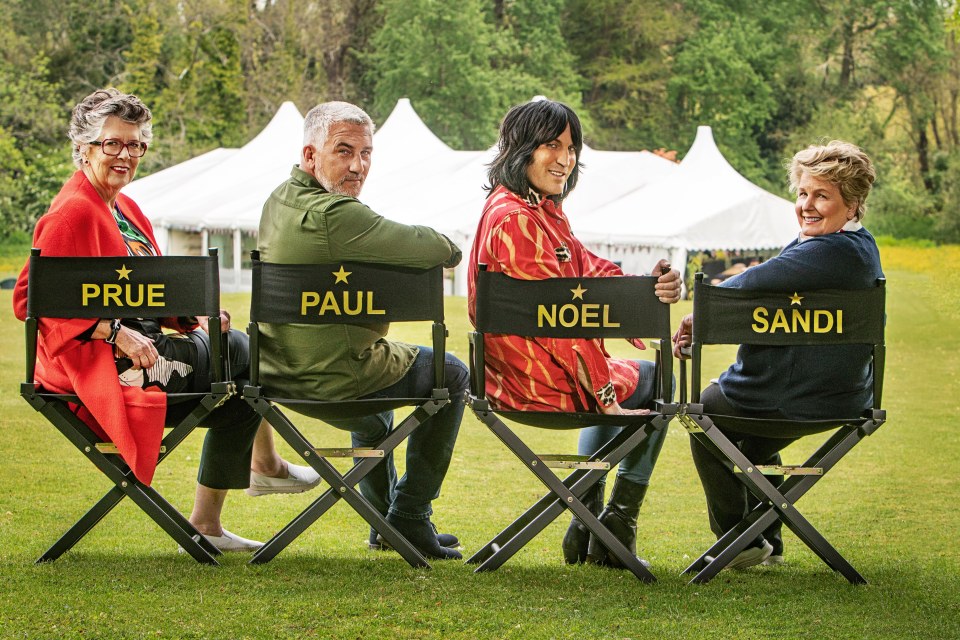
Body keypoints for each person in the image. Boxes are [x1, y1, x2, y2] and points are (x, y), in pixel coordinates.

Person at [12, 88, 319, 554]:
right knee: (244, 352)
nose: (126, 155)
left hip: (152, 349)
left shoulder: (126, 209)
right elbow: (30, 300)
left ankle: (208, 522)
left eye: (136, 145)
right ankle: (268, 466)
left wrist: (191, 315)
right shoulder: (71, 213)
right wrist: (112, 331)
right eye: (113, 144)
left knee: (241, 397)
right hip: (110, 368)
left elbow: (144, 287)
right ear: (84, 147)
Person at [466, 99, 682, 569]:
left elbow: (586, 270)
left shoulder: (534, 210)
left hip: (523, 374)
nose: (565, 159)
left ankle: (588, 524)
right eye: (551, 145)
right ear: (520, 149)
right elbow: (563, 325)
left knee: (637, 375)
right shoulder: (517, 219)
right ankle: (612, 524)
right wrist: (604, 392)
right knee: (656, 380)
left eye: (571, 147)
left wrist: (648, 285)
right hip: (532, 381)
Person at [257, 101, 468, 561]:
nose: (358, 166)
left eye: (367, 153)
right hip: (334, 376)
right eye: (344, 151)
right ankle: (410, 517)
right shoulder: (339, 216)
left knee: (374, 418)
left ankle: (381, 523)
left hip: (278, 373)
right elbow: (440, 249)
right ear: (310, 156)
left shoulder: (277, 200)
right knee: (453, 374)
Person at [672, 140, 883, 569]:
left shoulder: (833, 251)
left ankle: (739, 537)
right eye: (803, 193)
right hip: (840, 395)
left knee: (703, 414)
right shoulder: (857, 247)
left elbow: (753, 281)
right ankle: (765, 536)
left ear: (853, 203)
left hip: (795, 396)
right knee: (747, 440)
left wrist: (702, 311)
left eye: (822, 195)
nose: (807, 205)